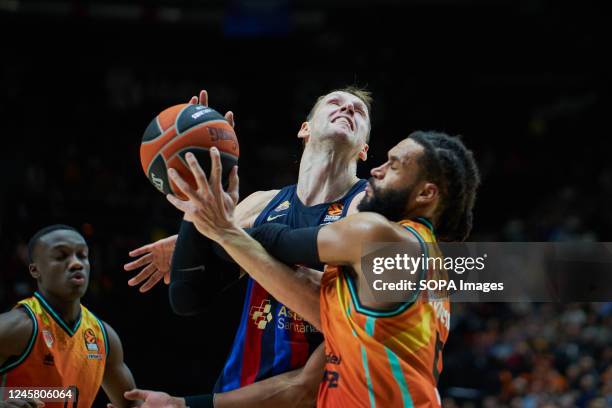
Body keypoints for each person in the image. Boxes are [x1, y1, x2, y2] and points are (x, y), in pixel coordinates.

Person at [148, 130, 480, 407]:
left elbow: (272, 237)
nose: (377, 170)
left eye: (392, 166)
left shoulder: (376, 235)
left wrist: (213, 227)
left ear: (426, 193)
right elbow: (303, 287)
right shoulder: (429, 267)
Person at [124, 87, 372, 406]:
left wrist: (226, 233)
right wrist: (198, 194)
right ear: (304, 128)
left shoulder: (368, 210)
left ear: (364, 149)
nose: (347, 109)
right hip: (236, 389)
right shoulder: (261, 204)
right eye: (335, 103)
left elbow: (307, 387)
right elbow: (188, 296)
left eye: (359, 111)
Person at [0, 225, 140, 408]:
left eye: (82, 255)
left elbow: (132, 404)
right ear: (35, 270)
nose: (76, 263)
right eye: (61, 256)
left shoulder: (104, 337)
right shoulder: (15, 328)